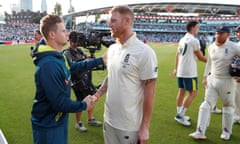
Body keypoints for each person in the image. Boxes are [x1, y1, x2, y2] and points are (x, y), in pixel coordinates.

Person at [31, 14, 105, 144]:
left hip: (58, 120)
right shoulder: (49, 65)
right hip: (48, 125)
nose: (68, 33)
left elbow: (76, 66)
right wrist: (84, 105)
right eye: (64, 30)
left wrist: (101, 60)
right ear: (52, 35)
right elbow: (59, 103)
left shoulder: (59, 56)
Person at [91, 5, 158, 144]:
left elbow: (150, 92)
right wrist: (98, 94)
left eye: (113, 21)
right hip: (108, 120)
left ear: (127, 21)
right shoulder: (113, 49)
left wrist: (145, 127)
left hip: (129, 126)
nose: (109, 25)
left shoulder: (144, 52)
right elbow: (112, 76)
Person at [189, 26, 240, 140]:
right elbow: (209, 63)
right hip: (213, 80)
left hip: (227, 81)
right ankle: (200, 131)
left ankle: (226, 132)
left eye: (221, 33)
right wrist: (205, 77)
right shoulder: (211, 46)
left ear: (227, 35)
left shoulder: (234, 47)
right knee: (205, 105)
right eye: (217, 33)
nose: (218, 35)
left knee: (227, 106)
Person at [63, 31, 102, 132]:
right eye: (76, 40)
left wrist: (90, 59)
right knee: (80, 101)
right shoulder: (67, 53)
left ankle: (90, 118)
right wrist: (85, 61)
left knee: (92, 97)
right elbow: (73, 66)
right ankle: (78, 123)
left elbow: (85, 58)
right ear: (71, 40)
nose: (78, 42)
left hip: (87, 77)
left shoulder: (79, 50)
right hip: (77, 80)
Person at [171, 21, 207, 126]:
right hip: (190, 71)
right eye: (197, 27)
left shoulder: (182, 39)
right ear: (192, 28)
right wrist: (211, 61)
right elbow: (200, 57)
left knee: (181, 91)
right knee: (193, 92)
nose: (198, 29)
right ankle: (180, 115)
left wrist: (175, 69)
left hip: (181, 70)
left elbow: (177, 55)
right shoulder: (194, 40)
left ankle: (179, 113)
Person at [233, 26, 240, 124]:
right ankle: (237, 116)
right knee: (236, 97)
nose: (237, 34)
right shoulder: (237, 45)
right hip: (237, 76)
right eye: (236, 32)